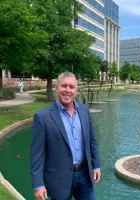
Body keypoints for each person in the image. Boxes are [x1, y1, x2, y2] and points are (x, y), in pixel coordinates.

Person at [30, 72, 101, 200]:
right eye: (64, 86)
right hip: (59, 179)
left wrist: (96, 166)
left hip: (85, 175)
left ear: (76, 91)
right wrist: (38, 185)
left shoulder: (85, 111)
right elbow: (36, 155)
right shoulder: (42, 117)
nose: (67, 90)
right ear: (56, 88)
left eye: (71, 87)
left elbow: (92, 141)